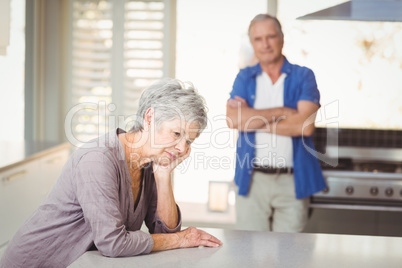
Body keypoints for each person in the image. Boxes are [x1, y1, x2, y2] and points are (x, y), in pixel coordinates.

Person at [0, 79, 222, 268]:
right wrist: (181, 240)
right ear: (150, 117)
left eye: (189, 140)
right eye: (177, 133)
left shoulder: (151, 162)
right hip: (36, 263)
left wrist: (163, 176)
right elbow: (113, 243)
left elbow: (165, 232)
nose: (183, 148)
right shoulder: (97, 159)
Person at [226, 14, 326, 232]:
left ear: (282, 38)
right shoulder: (244, 77)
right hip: (252, 180)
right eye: (258, 39)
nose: (265, 44)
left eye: (271, 37)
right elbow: (233, 120)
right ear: (252, 43)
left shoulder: (303, 76)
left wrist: (252, 120)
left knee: (290, 258)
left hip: (293, 180)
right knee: (248, 253)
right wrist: (282, 112)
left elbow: (305, 126)